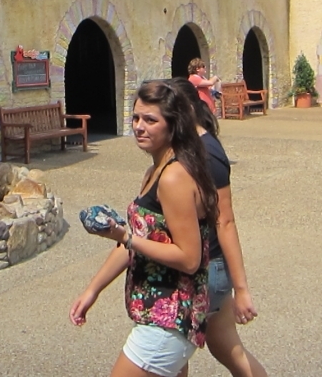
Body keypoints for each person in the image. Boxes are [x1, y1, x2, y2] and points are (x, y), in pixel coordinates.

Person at [70, 80, 217, 377]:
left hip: (169, 318)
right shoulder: (155, 171)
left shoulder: (174, 177)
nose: (139, 126)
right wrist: (92, 290)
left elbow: (189, 258)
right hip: (161, 317)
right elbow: (137, 240)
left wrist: (126, 237)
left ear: (173, 125)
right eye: (136, 118)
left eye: (150, 120)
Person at [171, 77, 268, 377]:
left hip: (204, 269)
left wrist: (242, 289)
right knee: (226, 347)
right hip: (207, 267)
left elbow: (224, 221)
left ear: (186, 110)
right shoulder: (191, 147)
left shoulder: (207, 154)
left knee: (171, 355)